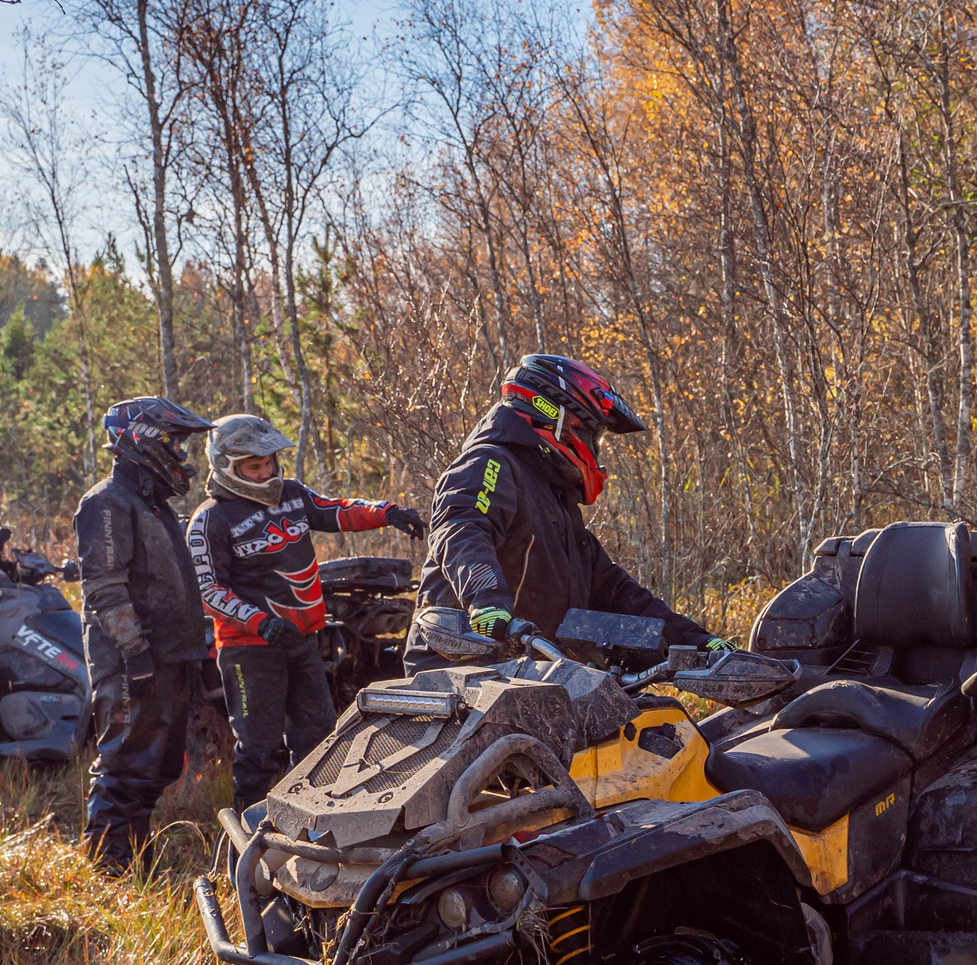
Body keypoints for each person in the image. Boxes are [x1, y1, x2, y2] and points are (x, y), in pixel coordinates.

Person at [412, 354, 725, 670]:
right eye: (597, 435)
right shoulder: (489, 462)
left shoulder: (554, 501)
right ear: (561, 420)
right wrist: (486, 602)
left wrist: (697, 643)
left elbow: (613, 590)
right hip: (456, 669)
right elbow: (461, 527)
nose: (598, 448)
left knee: (652, 709)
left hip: (532, 671)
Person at [188, 413, 426, 815]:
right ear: (227, 466)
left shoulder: (292, 494)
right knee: (261, 750)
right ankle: (245, 844)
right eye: (254, 466)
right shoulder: (210, 519)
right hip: (249, 650)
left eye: (269, 462)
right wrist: (260, 622)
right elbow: (208, 591)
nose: (266, 472)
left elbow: (335, 510)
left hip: (303, 641)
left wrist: (386, 511)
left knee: (320, 741)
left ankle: (308, 829)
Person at [75, 396, 215, 873]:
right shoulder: (106, 502)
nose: (180, 453)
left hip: (172, 655)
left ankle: (133, 857)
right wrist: (134, 653)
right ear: (144, 440)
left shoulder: (152, 505)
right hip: (132, 660)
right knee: (123, 766)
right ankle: (106, 869)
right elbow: (104, 586)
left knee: (157, 767)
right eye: (174, 442)